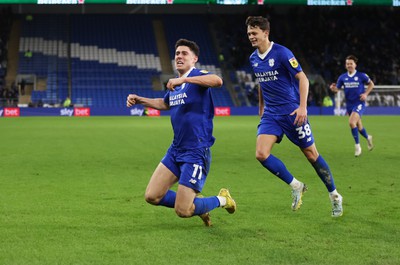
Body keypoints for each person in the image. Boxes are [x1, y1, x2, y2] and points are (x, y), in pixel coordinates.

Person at [126, 38, 236, 226]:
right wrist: (140, 99)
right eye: (177, 53)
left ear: (194, 59)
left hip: (196, 151)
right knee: (152, 196)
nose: (179, 56)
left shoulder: (196, 77)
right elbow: (164, 103)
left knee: (183, 211)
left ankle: (223, 199)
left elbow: (217, 81)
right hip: (176, 149)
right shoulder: (175, 85)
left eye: (184, 53)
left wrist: (185, 78)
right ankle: (198, 204)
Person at [245, 16, 343, 217]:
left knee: (311, 155)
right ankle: (296, 185)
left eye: (254, 33)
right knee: (261, 154)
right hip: (271, 115)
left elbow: (303, 78)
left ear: (266, 32)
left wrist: (302, 107)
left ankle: (334, 196)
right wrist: (261, 106)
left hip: (292, 112)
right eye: (248, 33)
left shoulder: (282, 53)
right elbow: (262, 83)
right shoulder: (253, 59)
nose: (251, 37)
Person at [329, 55, 374, 157]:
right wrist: (333, 89)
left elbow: (371, 84)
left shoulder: (361, 75)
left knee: (351, 122)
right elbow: (337, 90)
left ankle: (357, 146)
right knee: (359, 126)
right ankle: (368, 137)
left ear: (355, 65)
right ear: (346, 65)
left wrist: (366, 94)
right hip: (349, 105)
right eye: (347, 63)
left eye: (351, 63)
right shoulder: (342, 77)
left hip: (359, 103)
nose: (349, 65)